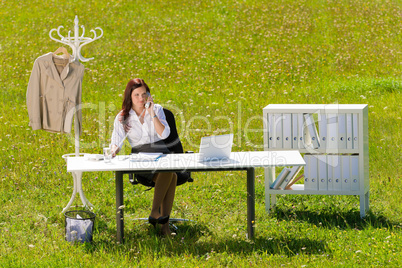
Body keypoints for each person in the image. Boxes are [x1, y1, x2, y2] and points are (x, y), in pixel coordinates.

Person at [110, 78, 177, 237]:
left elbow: (165, 134)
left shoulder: (158, 109)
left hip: (161, 153)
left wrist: (152, 113)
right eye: (137, 95)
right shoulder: (123, 117)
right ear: (129, 97)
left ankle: (157, 217)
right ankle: (162, 225)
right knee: (171, 175)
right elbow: (115, 141)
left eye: (144, 94)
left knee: (170, 173)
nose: (141, 98)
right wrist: (113, 150)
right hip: (141, 159)